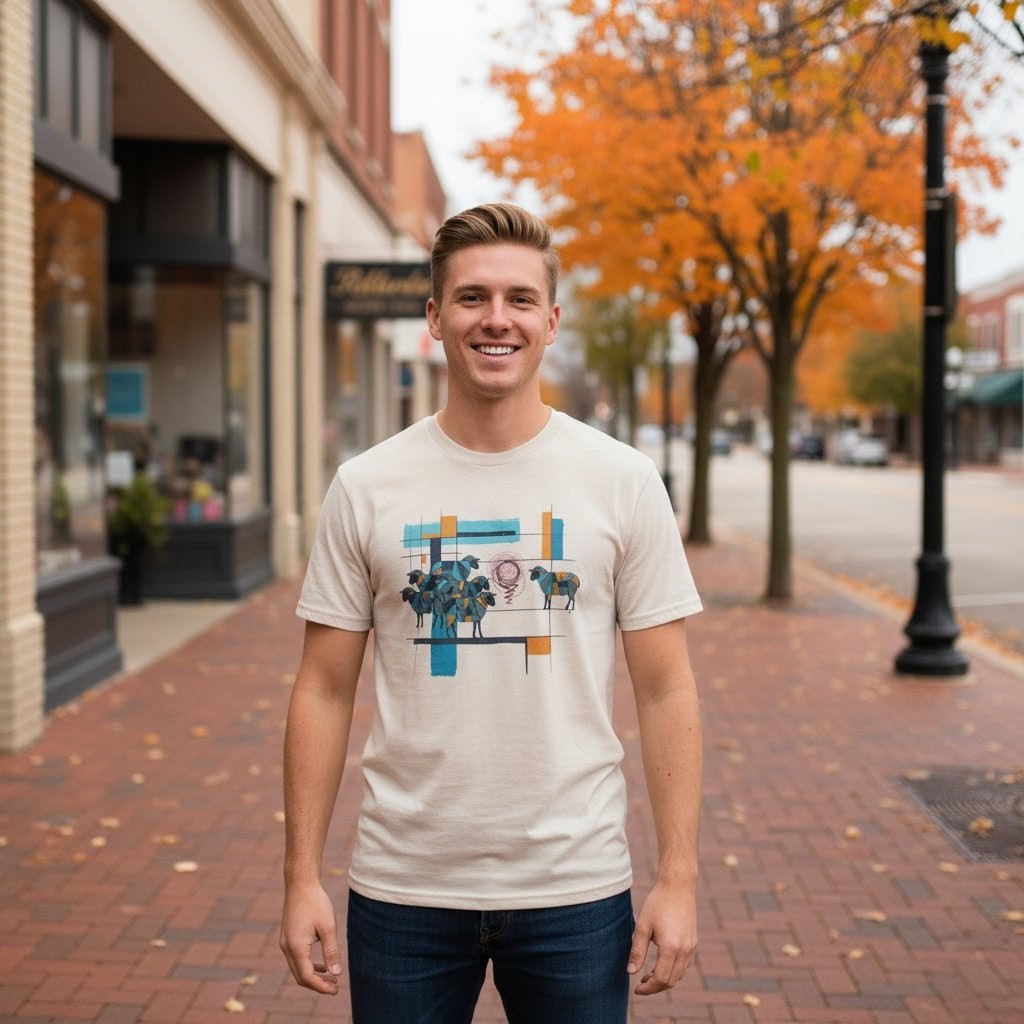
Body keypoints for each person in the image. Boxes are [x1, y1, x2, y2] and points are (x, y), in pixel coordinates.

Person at [279, 203, 703, 1023]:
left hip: (575, 889)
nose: (495, 319)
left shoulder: (621, 480)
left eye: (517, 298)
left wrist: (678, 878)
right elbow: (323, 689)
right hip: (404, 889)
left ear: (550, 319)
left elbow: (666, 689)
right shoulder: (367, 486)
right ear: (435, 319)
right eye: (471, 298)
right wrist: (301, 879)